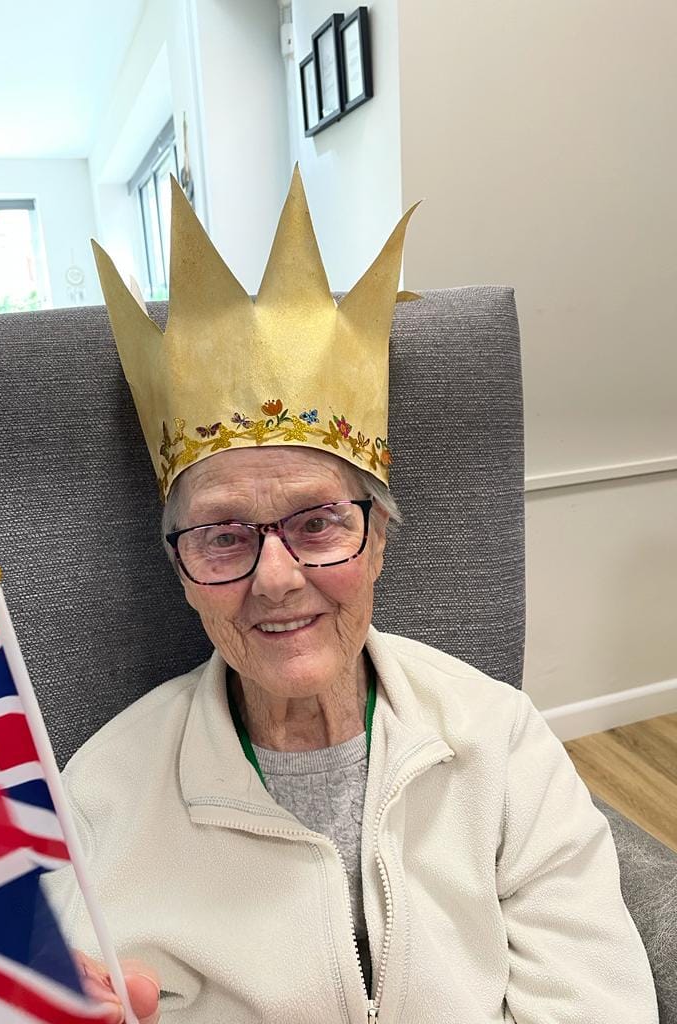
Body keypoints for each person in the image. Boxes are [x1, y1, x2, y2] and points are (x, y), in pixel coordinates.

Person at [44, 167, 658, 1024]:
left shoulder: (499, 739)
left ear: (377, 541)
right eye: (223, 535)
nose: (276, 578)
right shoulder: (102, 797)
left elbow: (597, 1000)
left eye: (318, 523)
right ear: (181, 573)